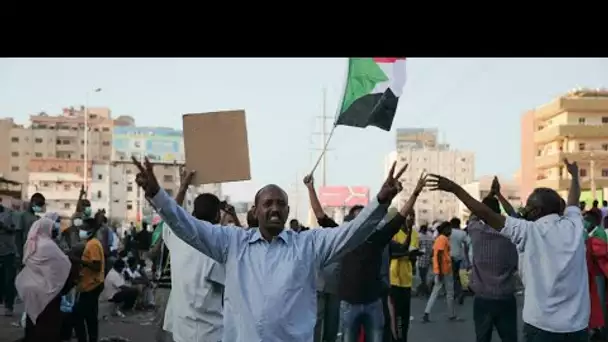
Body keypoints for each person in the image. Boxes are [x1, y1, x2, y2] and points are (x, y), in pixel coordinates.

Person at [133, 156, 404, 342]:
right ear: (256, 210)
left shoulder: (308, 245)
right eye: (268, 203)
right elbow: (188, 227)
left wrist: (379, 202)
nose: (274, 208)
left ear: (287, 210)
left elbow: (351, 233)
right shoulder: (232, 243)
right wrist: (158, 195)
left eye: (280, 203)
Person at [426, 158, 589, 342]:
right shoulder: (574, 225)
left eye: (528, 206)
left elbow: (485, 214)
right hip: (578, 326)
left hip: (542, 326)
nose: (524, 210)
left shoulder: (528, 231)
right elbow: (573, 200)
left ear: (536, 211)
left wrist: (455, 189)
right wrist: (575, 176)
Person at [162, 192, 227, 342]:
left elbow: (170, 215)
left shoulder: (177, 236)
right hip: (209, 333)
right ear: (217, 214)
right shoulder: (219, 244)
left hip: (181, 330)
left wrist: (184, 186)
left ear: (194, 212)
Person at [466, 189, 518, 342]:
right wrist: (499, 194)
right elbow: (514, 216)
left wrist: (489, 194)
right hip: (506, 297)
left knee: (482, 338)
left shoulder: (475, 230)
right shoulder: (511, 233)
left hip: (483, 297)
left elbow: (474, 213)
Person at [15, 218, 79, 342]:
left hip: (30, 287)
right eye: (53, 229)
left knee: (32, 318)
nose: (55, 232)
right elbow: (64, 264)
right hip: (46, 291)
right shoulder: (48, 245)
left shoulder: (31, 244)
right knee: (47, 324)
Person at [304, 175, 341, 342]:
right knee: (315, 327)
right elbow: (319, 214)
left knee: (332, 329)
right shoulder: (336, 232)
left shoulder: (361, 239)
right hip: (319, 287)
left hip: (337, 290)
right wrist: (311, 188)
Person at [388, 211, 421, 342]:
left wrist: (412, 256)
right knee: (394, 315)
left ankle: (403, 339)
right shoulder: (393, 233)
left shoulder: (414, 234)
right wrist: (406, 254)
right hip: (393, 278)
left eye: (413, 215)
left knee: (405, 315)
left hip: (406, 279)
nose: (411, 218)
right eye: (408, 215)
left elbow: (412, 255)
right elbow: (393, 253)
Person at [422, 221, 462, 322]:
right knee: (449, 293)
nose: (450, 231)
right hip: (444, 270)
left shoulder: (440, 239)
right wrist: (439, 271)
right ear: (445, 229)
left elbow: (436, 254)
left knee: (436, 292)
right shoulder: (442, 239)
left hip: (442, 269)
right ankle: (451, 314)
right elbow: (439, 255)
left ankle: (427, 312)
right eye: (449, 229)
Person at [73, 215, 105, 342]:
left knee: (78, 315)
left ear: (91, 229)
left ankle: (84, 339)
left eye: (84, 228)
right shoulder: (91, 243)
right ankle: (92, 338)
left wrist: (80, 261)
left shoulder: (93, 245)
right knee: (90, 316)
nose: (81, 230)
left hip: (92, 284)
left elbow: (96, 266)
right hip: (91, 284)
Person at [584, 208, 608, 340]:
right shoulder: (593, 232)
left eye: (587, 219)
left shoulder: (598, 233)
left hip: (598, 273)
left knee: (598, 300)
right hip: (594, 272)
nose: (585, 222)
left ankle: (599, 329)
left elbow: (602, 252)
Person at [448, 217, 467, 304]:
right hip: (458, 257)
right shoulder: (462, 233)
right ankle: (458, 292)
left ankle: (456, 293)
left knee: (451, 277)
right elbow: (467, 244)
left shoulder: (448, 233)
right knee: (456, 275)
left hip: (448, 257)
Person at [416, 224, 433, 297]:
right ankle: (423, 289)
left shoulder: (419, 237)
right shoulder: (430, 237)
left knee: (422, 276)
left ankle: (424, 290)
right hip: (428, 258)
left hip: (421, 258)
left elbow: (417, 247)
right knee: (424, 275)